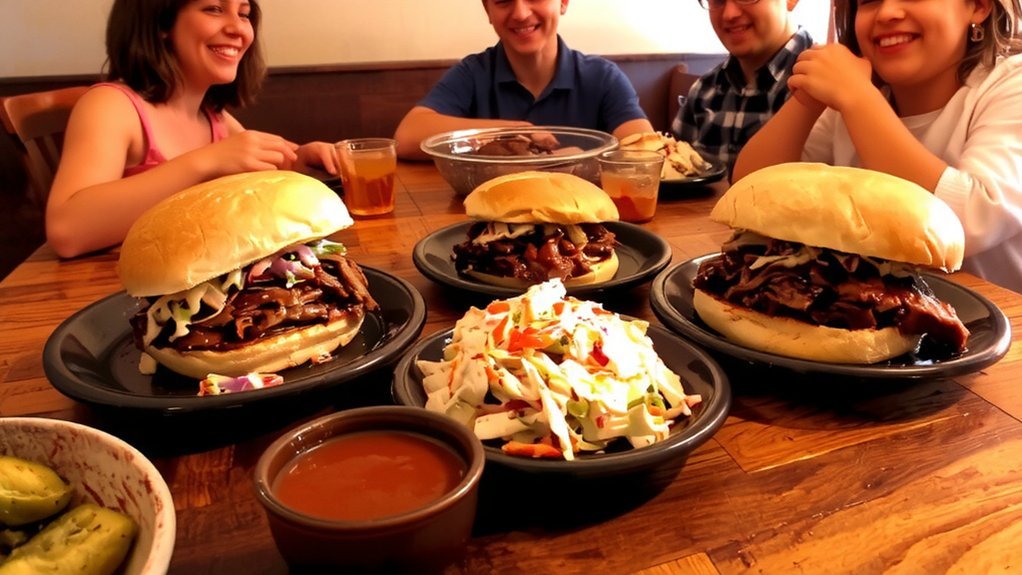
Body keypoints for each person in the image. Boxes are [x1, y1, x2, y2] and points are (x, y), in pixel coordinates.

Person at [733, 0, 1022, 292]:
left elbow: (970, 223)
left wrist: (858, 97)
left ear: (979, 6)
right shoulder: (849, 102)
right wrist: (809, 98)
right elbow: (748, 194)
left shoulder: (1011, 84)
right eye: (868, 1)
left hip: (1003, 325)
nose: (887, 13)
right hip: (875, 311)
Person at [47, 0, 337, 259]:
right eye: (214, 8)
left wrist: (301, 160)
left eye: (244, 13)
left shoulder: (215, 119)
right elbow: (66, 232)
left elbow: (259, 168)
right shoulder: (111, 105)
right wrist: (206, 162)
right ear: (161, 23)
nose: (238, 28)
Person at [393, 0, 654, 160]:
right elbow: (407, 138)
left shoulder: (602, 77)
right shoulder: (473, 72)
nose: (520, 13)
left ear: (563, 2)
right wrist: (515, 130)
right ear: (488, 11)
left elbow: (644, 149)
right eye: (503, 0)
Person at [671, 0, 812, 175]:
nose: (729, 14)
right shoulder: (704, 90)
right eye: (717, 1)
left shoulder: (825, 89)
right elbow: (673, 172)